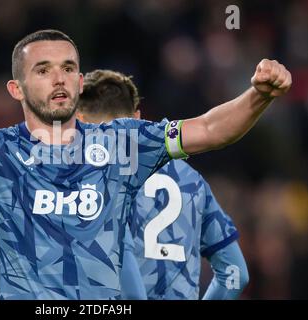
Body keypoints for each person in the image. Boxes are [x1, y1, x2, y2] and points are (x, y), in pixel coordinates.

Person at [0, 29, 291, 299]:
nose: (58, 79)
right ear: (16, 88)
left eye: (68, 69)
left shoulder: (126, 145)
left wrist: (258, 95)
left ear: (80, 82)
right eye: (42, 70)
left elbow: (210, 129)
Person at [77, 69, 250, 299]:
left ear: (79, 120)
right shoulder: (190, 179)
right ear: (137, 118)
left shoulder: (89, 179)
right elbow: (236, 273)